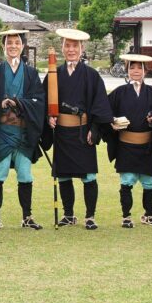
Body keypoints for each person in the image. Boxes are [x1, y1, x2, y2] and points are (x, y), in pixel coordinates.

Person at [39, 29, 114, 229]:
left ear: (82, 49)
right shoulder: (54, 74)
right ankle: (68, 214)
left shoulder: (91, 75)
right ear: (62, 48)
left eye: (75, 46)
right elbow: (44, 101)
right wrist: (49, 118)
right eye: (67, 45)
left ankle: (90, 216)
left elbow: (100, 105)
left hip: (83, 132)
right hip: (62, 133)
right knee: (63, 174)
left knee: (88, 175)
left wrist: (95, 129)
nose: (71, 50)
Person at [0, 29, 46, 230]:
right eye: (9, 42)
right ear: (3, 46)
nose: (13, 46)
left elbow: (39, 101)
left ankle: (27, 216)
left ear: (22, 46)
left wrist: (16, 102)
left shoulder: (32, 73)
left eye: (17, 42)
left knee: (25, 175)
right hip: (2, 132)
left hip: (23, 133)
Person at [104, 53, 152, 228]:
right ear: (127, 70)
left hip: (147, 146)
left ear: (145, 71)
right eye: (132, 67)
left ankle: (149, 214)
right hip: (126, 145)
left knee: (149, 182)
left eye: (139, 68)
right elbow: (105, 110)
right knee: (126, 181)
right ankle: (126, 216)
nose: (135, 71)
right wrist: (114, 121)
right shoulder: (119, 92)